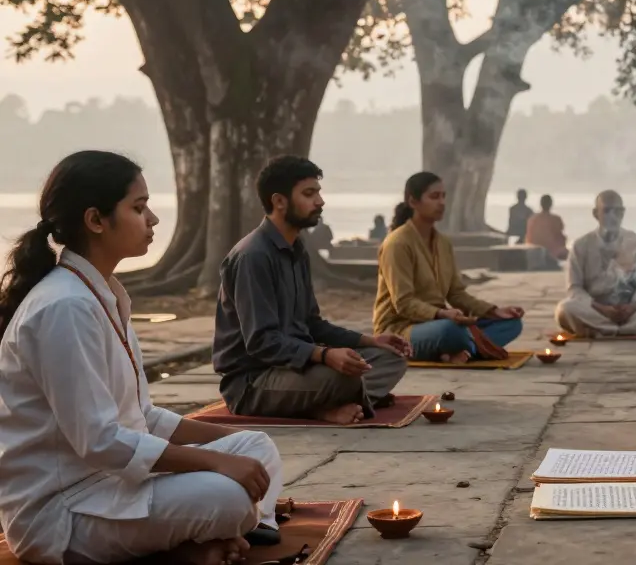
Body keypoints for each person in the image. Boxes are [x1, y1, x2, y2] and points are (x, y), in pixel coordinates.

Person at [0, 151, 285, 565]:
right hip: (63, 511)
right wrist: (215, 462)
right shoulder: (64, 307)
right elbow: (100, 442)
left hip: (116, 484)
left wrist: (228, 450)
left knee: (255, 446)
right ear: (96, 220)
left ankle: (224, 535)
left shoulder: (102, 293)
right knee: (226, 494)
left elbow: (141, 418)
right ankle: (219, 533)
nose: (152, 219)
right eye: (138, 207)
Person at [214, 156, 410, 426]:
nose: (320, 201)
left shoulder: (297, 250)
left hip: (301, 367)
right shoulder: (253, 256)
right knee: (343, 375)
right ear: (279, 201)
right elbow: (261, 342)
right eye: (309, 194)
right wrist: (325, 355)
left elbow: (312, 324)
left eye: (318, 192)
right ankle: (326, 408)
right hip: (254, 381)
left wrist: (370, 341)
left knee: (389, 359)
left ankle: (347, 398)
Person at [373, 172, 525, 363]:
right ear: (413, 201)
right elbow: (403, 303)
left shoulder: (443, 244)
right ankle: (466, 348)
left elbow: (456, 294)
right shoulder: (397, 244)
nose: (442, 202)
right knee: (451, 330)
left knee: (511, 323)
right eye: (434, 197)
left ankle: (463, 352)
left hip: (439, 322)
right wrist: (443, 314)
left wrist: (494, 311)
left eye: (444, 196)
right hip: (402, 329)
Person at [555, 190, 636, 338]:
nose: (612, 217)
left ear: (623, 213)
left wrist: (633, 307)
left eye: (617, 211)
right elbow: (574, 288)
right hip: (595, 310)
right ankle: (625, 330)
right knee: (565, 309)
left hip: (630, 313)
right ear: (595, 213)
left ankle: (611, 330)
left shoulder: (634, 241)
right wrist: (601, 308)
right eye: (606, 211)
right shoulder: (581, 245)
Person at [526, 193, 569, 260]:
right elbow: (560, 236)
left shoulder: (532, 219)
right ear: (551, 204)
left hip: (533, 249)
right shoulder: (556, 219)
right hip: (551, 250)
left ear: (541, 204)